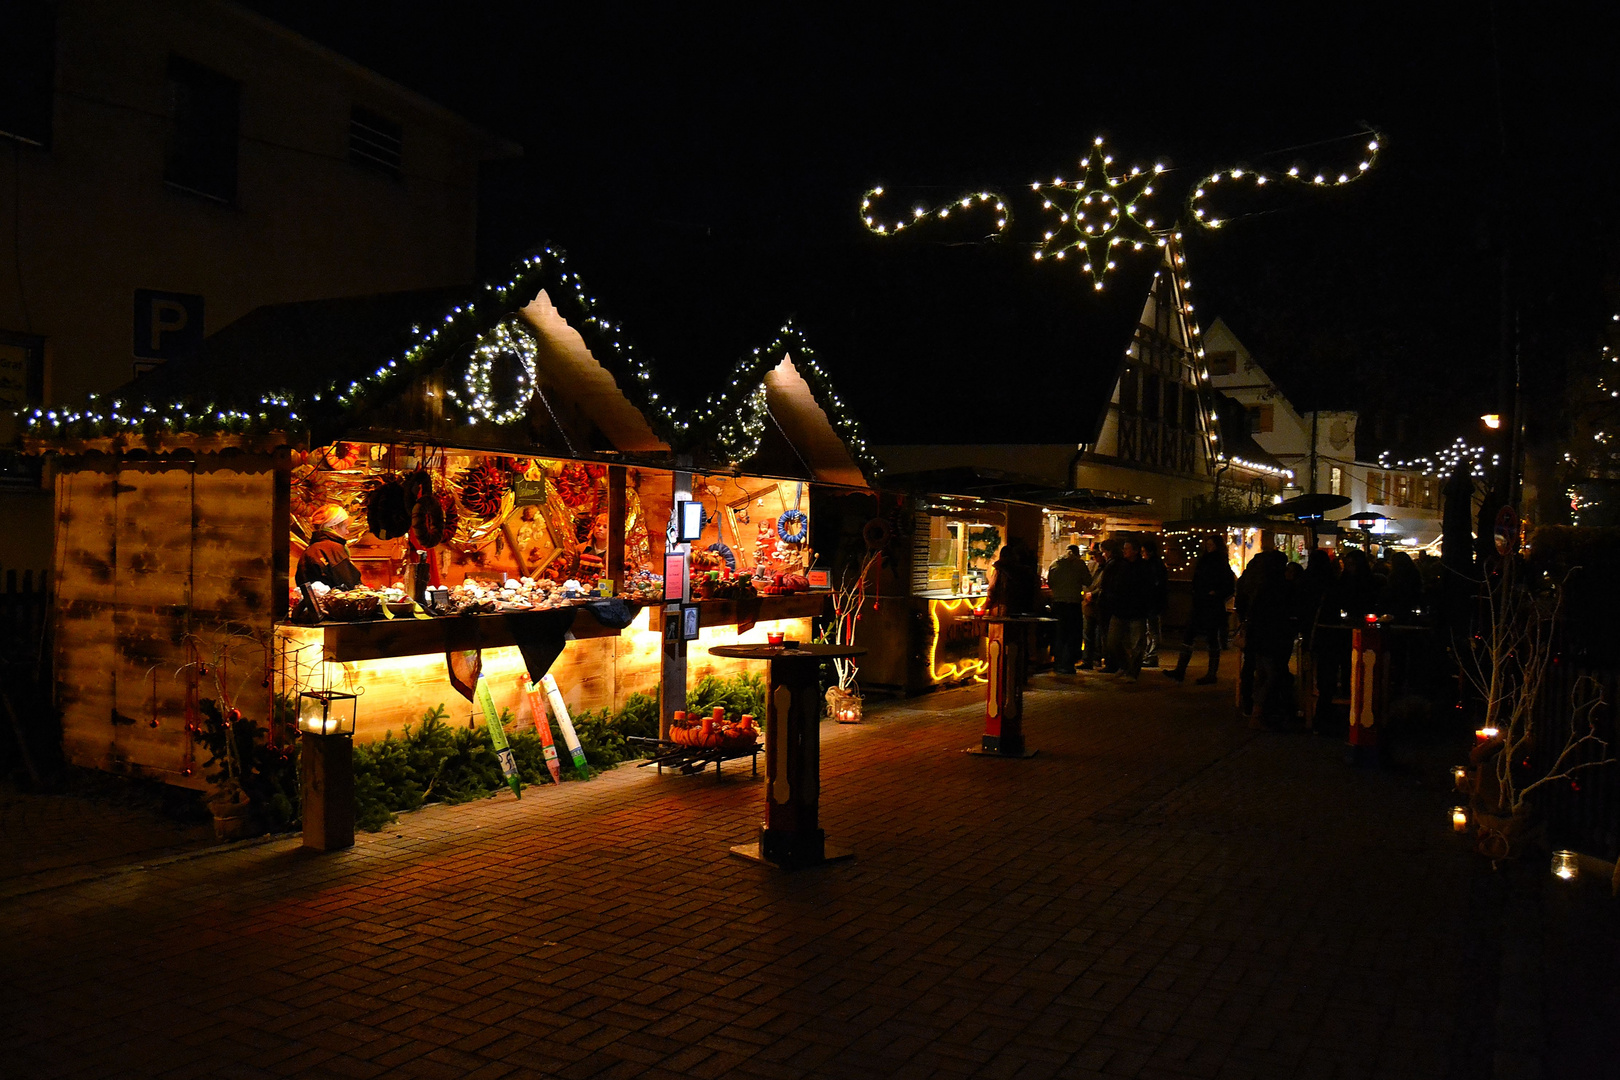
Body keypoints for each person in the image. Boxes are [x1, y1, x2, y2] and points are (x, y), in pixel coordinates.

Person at [1165, 534, 1234, 684]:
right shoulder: (1204, 561)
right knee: (1189, 635)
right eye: (1207, 545)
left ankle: (1211, 673)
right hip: (1200, 603)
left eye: (1211, 545)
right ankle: (1180, 670)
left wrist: (1216, 594)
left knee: (1211, 638)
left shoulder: (1220, 563)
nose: (1209, 548)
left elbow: (1229, 586)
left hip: (1211, 605)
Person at [1101, 539, 1149, 679]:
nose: (1124, 551)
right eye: (1124, 548)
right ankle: (1124, 664)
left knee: (1137, 644)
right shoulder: (1120, 565)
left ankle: (1133, 672)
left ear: (1135, 551)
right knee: (1112, 641)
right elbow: (1110, 583)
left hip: (1136, 610)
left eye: (1127, 549)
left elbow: (1147, 588)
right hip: (1119, 608)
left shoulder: (1143, 568)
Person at [1046, 545, 1091, 674]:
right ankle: (1068, 665)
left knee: (1059, 634)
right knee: (1073, 635)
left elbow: (1050, 582)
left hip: (1058, 604)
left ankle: (1058, 663)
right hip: (1073, 603)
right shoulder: (1080, 564)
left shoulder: (1055, 563)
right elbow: (1088, 581)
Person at [297, 505, 363, 590]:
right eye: (346, 527)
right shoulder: (333, 549)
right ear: (334, 527)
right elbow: (349, 584)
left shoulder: (310, 550)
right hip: (334, 602)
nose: (347, 532)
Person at [987, 538, 1039, 616]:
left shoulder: (999, 570)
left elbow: (992, 590)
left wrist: (988, 605)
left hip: (1003, 608)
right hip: (1024, 607)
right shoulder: (1027, 570)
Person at [1080, 545, 1110, 669]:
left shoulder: (1108, 567)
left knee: (1099, 635)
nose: (1096, 558)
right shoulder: (1092, 566)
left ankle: (1097, 658)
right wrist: (1086, 593)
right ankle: (1087, 660)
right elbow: (1085, 581)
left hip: (1100, 604)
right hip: (1088, 604)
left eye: (1098, 555)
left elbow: (1104, 586)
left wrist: (1093, 594)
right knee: (1087, 633)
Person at [1141, 539, 1169, 666]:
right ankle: (1150, 655)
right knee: (1150, 630)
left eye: (1144, 552)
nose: (1143, 554)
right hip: (1153, 602)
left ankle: (1152, 655)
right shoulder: (1156, 564)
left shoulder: (1153, 565)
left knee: (1153, 631)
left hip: (1153, 602)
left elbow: (1155, 584)